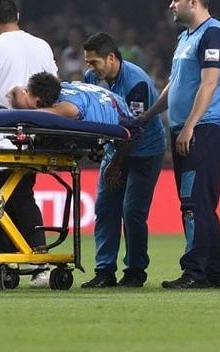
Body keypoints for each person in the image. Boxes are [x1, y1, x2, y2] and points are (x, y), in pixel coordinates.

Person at [140, 0, 220, 290]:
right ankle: (215, 273)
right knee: (200, 203)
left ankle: (194, 272)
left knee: (193, 203)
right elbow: (175, 85)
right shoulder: (186, 38)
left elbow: (210, 84)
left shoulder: (214, 35)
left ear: (193, 2)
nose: (171, 5)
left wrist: (191, 126)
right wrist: (151, 115)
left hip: (205, 129)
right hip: (186, 129)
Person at [0, 0, 56, 284]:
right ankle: (27, 261)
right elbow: (53, 89)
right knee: (19, 194)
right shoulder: (42, 45)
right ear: (18, 15)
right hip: (36, 135)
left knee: (1, 199)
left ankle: (6, 262)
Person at [80, 32, 162, 289]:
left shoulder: (136, 82)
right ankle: (104, 271)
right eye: (88, 63)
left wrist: (115, 163)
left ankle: (136, 270)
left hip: (144, 150)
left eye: (94, 62)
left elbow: (136, 130)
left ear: (112, 58)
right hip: (114, 151)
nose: (90, 69)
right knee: (105, 209)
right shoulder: (91, 78)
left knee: (132, 212)